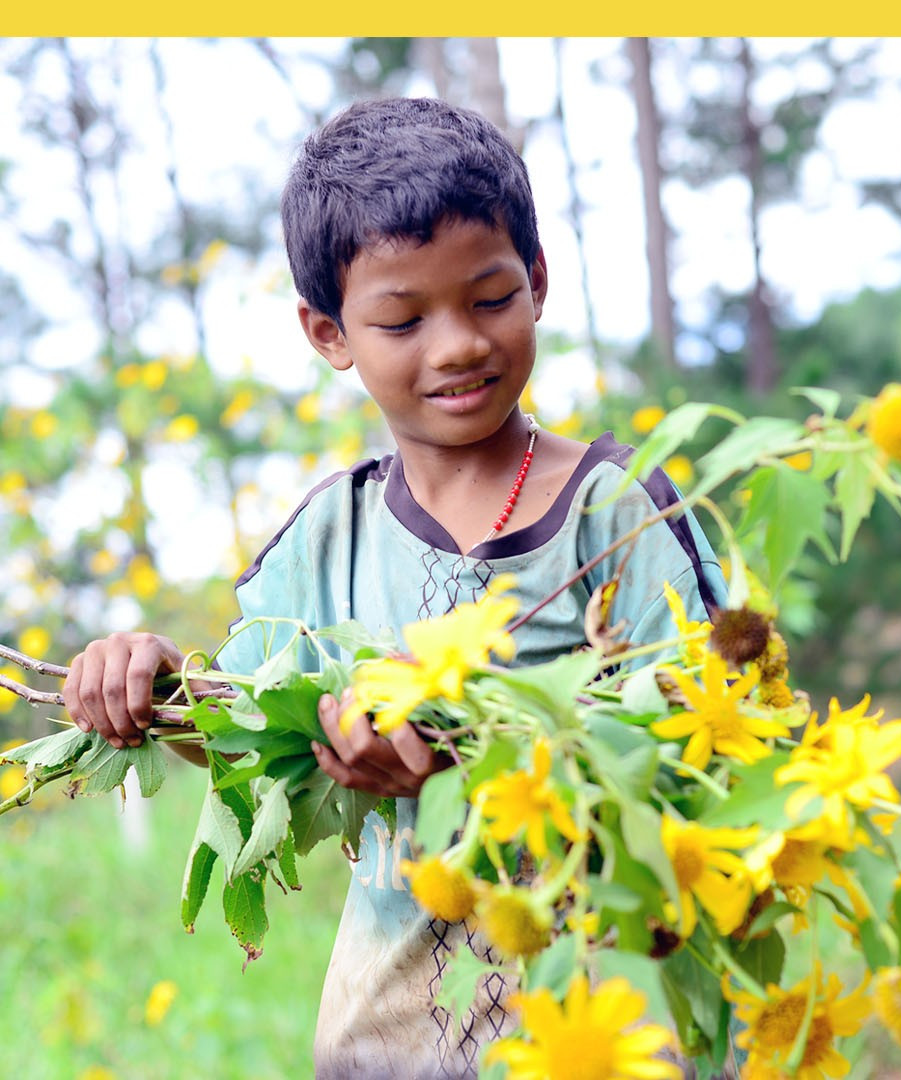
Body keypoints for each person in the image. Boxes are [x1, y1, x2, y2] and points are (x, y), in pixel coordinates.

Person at [60, 97, 723, 1080]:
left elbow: (719, 747)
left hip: (613, 1029)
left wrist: (470, 770)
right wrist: (151, 686)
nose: (456, 344)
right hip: (394, 1040)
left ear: (537, 281)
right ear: (330, 333)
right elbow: (245, 731)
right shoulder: (323, 542)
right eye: (403, 318)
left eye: (490, 299)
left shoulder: (623, 514)